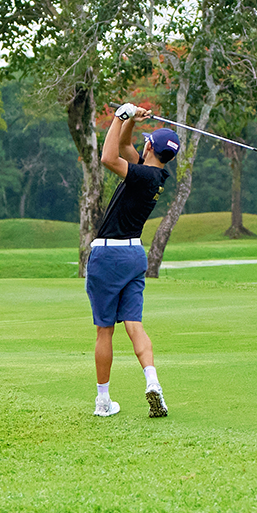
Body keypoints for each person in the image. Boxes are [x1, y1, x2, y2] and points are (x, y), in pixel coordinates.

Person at [86, 102, 177, 418]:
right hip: (134, 255)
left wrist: (119, 116)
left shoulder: (140, 174)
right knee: (135, 325)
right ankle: (153, 383)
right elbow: (125, 145)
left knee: (104, 330)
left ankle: (103, 401)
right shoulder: (155, 176)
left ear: (150, 147)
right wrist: (132, 121)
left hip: (108, 254)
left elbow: (109, 157)